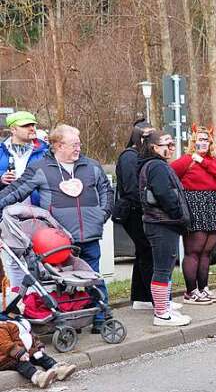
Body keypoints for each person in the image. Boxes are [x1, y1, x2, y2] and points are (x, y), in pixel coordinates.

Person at [0, 124, 113, 330]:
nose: (79, 148)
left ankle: (101, 316)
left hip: (89, 233)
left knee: (93, 274)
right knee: (60, 281)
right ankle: (69, 318)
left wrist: (101, 215)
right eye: (74, 144)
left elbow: (106, 191)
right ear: (58, 146)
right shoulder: (41, 168)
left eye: (79, 144)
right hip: (58, 238)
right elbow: (17, 190)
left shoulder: (91, 166)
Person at [137, 130, 192, 327]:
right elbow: (164, 194)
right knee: (162, 269)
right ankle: (161, 314)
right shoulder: (157, 166)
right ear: (154, 147)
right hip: (162, 223)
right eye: (166, 145)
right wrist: (178, 215)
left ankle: (165, 308)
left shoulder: (152, 165)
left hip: (160, 222)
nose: (171, 148)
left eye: (172, 144)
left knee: (165, 269)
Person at [171, 125, 216, 305]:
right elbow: (170, 174)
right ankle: (190, 291)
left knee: (207, 251)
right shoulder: (186, 160)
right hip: (194, 204)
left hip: (212, 203)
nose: (203, 143)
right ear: (193, 141)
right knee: (193, 251)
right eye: (200, 139)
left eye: (206, 140)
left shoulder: (212, 160)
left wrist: (203, 161)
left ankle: (203, 288)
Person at [0, 111, 49, 292]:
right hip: (8, 213)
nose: (32, 128)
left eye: (33, 125)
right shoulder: (1, 151)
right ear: (13, 129)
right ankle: (17, 301)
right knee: (13, 258)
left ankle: (39, 300)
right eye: (26, 125)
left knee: (40, 257)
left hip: (37, 211)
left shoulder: (44, 151)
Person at [113, 120, 159, 310]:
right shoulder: (129, 157)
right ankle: (154, 299)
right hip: (134, 212)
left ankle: (142, 298)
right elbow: (132, 188)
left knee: (143, 254)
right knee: (148, 253)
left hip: (138, 210)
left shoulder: (137, 156)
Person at [0, 317, 76, 387]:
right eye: (20, 304)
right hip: (6, 357)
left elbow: (30, 335)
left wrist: (38, 345)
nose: (23, 305)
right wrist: (18, 353)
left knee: (38, 355)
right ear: (11, 307)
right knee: (21, 363)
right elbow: (4, 343)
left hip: (25, 351)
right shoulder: (3, 324)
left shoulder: (21, 320)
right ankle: (38, 377)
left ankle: (58, 369)